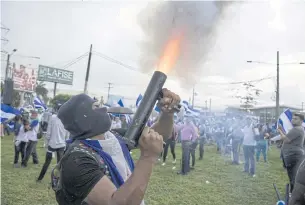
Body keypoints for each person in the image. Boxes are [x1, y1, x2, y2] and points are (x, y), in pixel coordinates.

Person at [51, 88, 180, 205]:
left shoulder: (113, 136)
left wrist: (167, 113)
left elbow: (159, 133)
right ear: (82, 117)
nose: (103, 109)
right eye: (96, 106)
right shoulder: (77, 160)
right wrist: (148, 157)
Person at [37, 103, 69, 181]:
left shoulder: (53, 118)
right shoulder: (67, 120)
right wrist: (65, 143)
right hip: (61, 144)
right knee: (59, 164)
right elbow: (67, 134)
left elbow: (48, 133)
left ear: (57, 110)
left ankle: (40, 178)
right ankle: (58, 181)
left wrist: (46, 143)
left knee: (47, 163)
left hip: (52, 144)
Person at [278, 112, 305, 193]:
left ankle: (293, 195)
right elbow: (288, 136)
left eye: (296, 119)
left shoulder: (297, 129)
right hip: (294, 155)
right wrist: (282, 130)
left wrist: (279, 130)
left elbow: (286, 139)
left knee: (293, 177)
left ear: (301, 121)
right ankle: (293, 194)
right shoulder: (299, 129)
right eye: (292, 118)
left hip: (293, 155)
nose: (293, 120)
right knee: (294, 176)